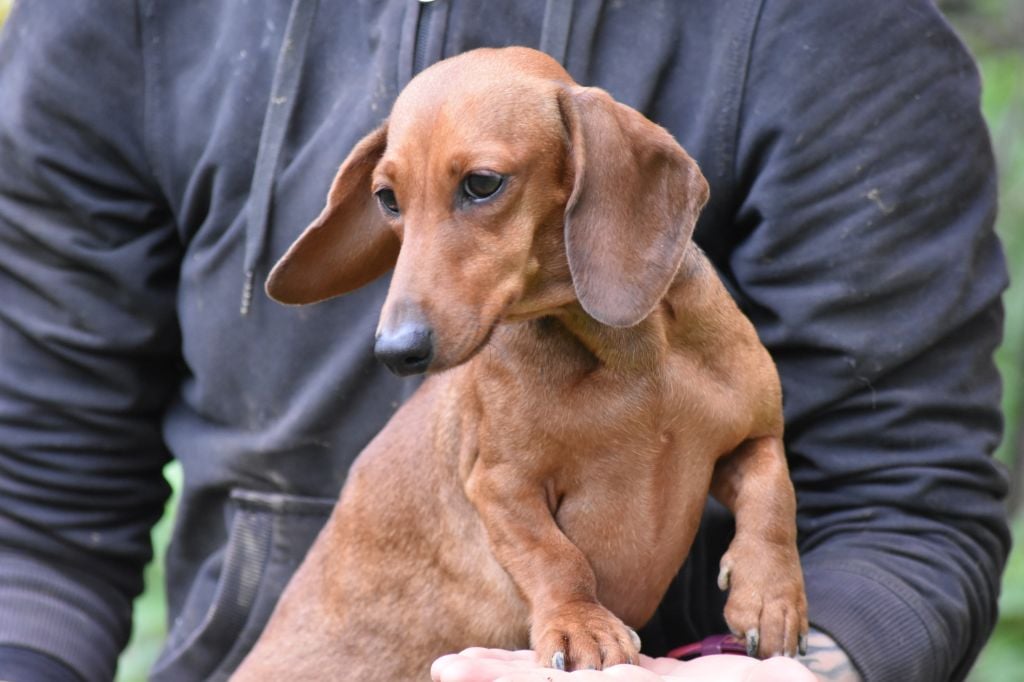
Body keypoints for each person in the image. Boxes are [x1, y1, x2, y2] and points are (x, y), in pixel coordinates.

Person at [0, 1, 1009, 681]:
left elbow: (906, 500)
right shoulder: (117, 17)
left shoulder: (839, 27)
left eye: (481, 186)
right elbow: (35, 511)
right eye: (393, 203)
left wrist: (792, 673)